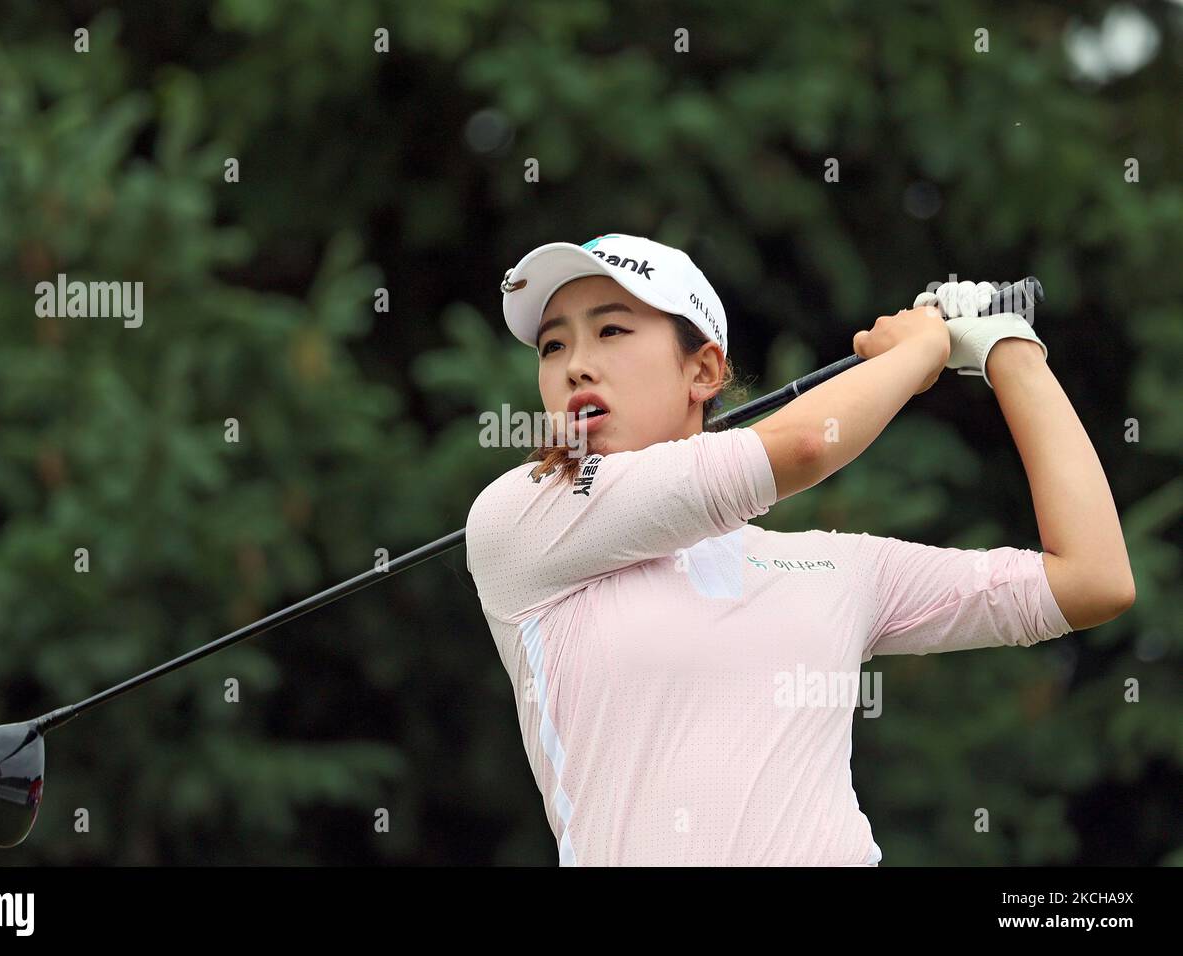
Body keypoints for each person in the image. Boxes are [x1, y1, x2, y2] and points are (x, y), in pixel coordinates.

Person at [465, 233, 1135, 866]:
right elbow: (808, 444)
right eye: (552, 347)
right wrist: (920, 350)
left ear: (703, 370)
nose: (576, 364)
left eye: (611, 330)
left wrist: (1008, 348)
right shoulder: (521, 519)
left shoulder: (832, 566)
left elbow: (1091, 581)